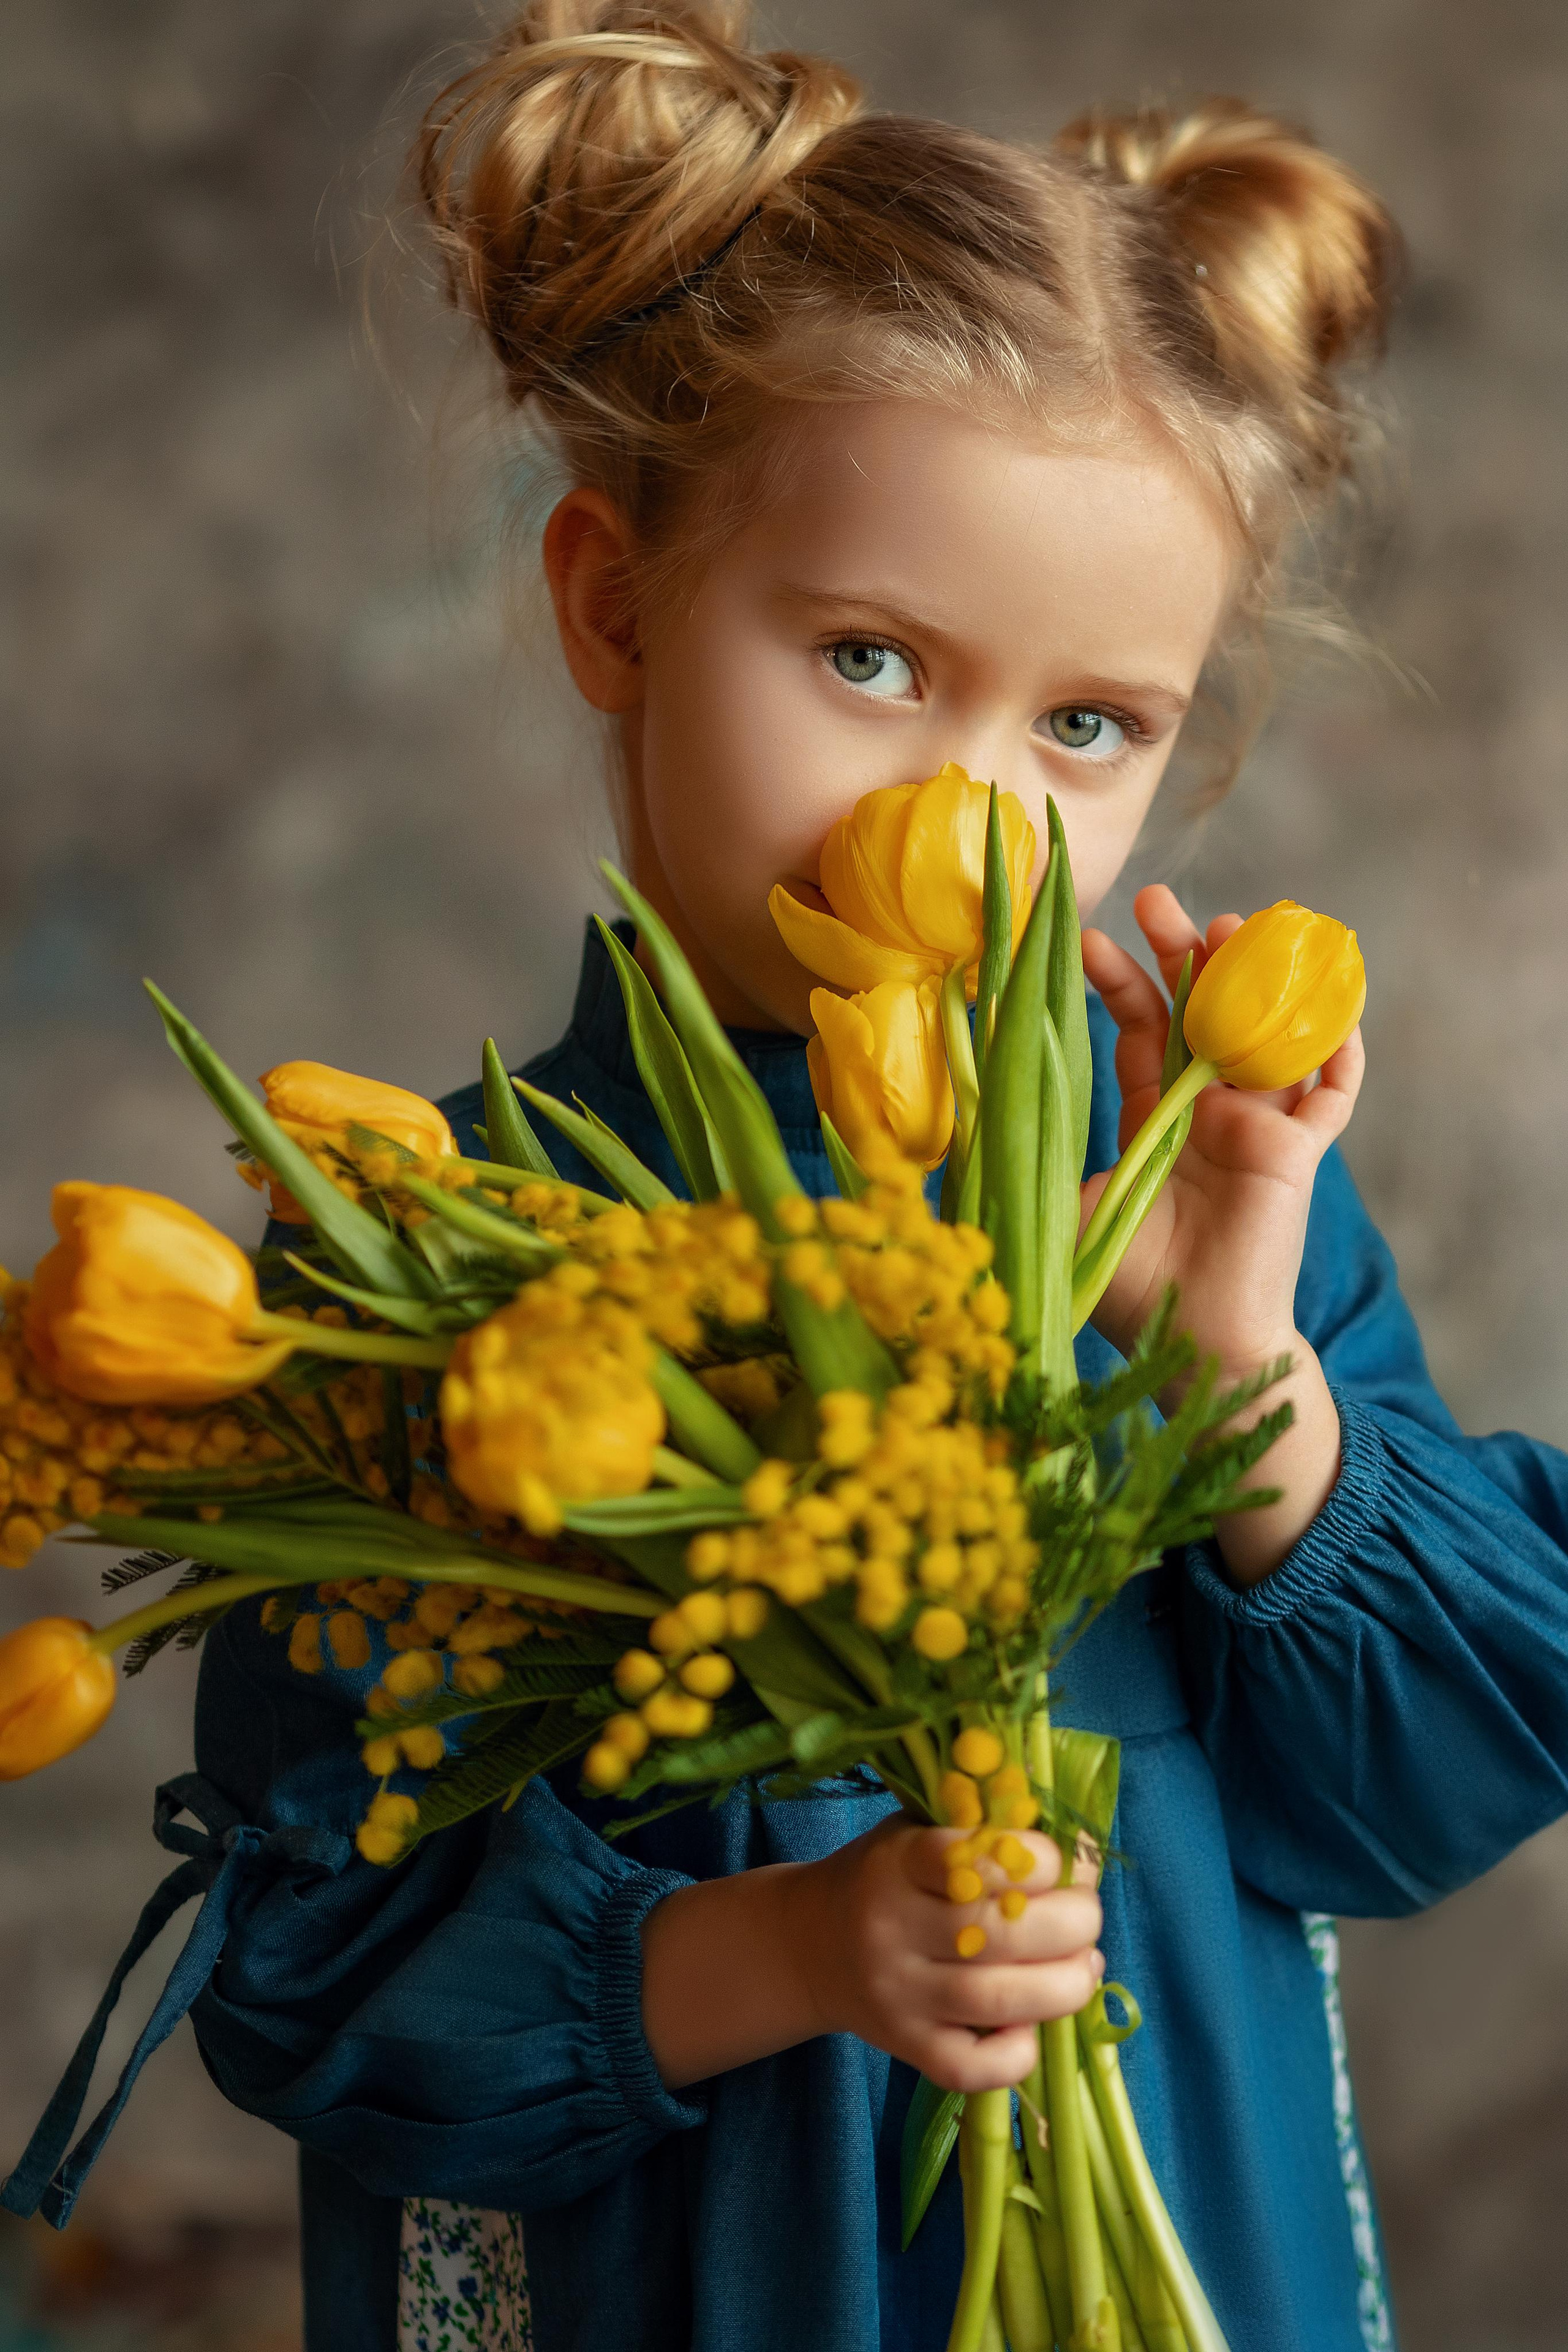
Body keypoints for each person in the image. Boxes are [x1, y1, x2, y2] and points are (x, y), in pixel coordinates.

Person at [12, 6, 1568, 2348]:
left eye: (1087, 725)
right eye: (867, 657)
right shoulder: (433, 1254)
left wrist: (1241, 1357)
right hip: (684, 2278)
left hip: (1171, 2229)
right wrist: (801, 1951)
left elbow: (1425, 1792)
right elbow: (324, 1991)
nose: (970, 810)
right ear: (613, 603)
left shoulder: (1197, 1203)